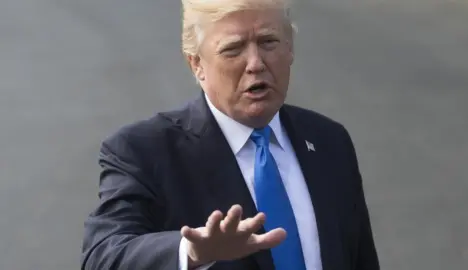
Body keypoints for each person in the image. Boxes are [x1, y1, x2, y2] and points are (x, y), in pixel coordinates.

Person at [81, 0, 380, 269]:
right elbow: (103, 256)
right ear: (196, 63)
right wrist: (191, 252)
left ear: (290, 48)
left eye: (268, 42)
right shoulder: (144, 152)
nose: (256, 63)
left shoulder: (329, 141)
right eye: (233, 48)